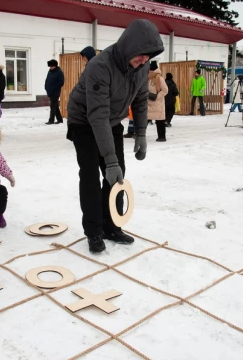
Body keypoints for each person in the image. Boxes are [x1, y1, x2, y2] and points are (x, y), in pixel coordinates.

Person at [66, 18, 164, 253]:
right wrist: (108, 160)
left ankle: (112, 225)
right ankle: (94, 231)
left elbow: (141, 101)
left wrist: (141, 133)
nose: (143, 61)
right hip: (84, 121)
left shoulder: (141, 69)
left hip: (111, 121)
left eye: (148, 57)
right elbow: (97, 115)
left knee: (117, 175)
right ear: (130, 46)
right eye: (141, 55)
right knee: (91, 175)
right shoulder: (100, 66)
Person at [147, 61, 168, 141]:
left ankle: (162, 137)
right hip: (148, 103)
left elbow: (165, 90)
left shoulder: (159, 78)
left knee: (160, 121)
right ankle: (139, 135)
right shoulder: (148, 78)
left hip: (158, 103)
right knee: (144, 119)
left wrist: (156, 97)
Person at [45, 59, 65, 125]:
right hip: (50, 91)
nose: (50, 68)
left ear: (55, 66)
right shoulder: (50, 71)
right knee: (55, 106)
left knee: (52, 106)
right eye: (50, 66)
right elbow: (47, 79)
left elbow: (61, 82)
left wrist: (54, 88)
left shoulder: (59, 72)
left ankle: (51, 120)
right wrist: (46, 86)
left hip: (55, 92)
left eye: (51, 66)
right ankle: (60, 119)